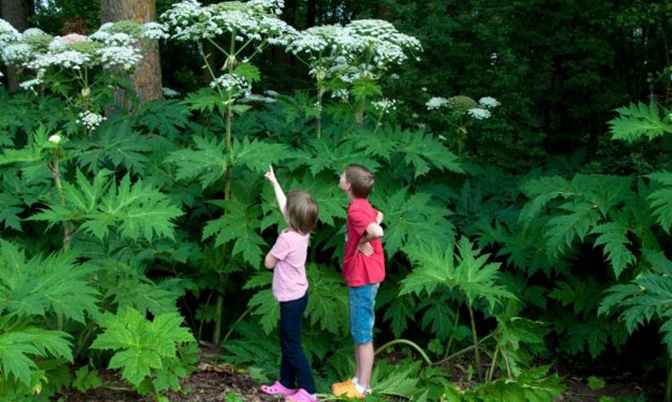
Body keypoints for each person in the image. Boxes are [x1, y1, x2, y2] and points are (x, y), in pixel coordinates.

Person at [260, 165, 320, 402]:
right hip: (298, 294)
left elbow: (268, 263)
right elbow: (286, 205)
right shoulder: (303, 232)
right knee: (288, 340)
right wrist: (275, 183)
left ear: (291, 219)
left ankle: (309, 391)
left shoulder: (286, 238)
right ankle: (286, 383)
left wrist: (273, 248)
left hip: (291, 299)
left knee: (292, 344)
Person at [331, 164, 385, 400]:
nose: (340, 177)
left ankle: (364, 386)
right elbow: (379, 215)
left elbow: (378, 229)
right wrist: (363, 237)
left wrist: (366, 237)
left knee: (363, 334)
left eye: (343, 175)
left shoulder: (355, 210)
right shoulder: (362, 206)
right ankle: (356, 380)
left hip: (364, 278)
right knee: (359, 331)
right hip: (364, 276)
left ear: (349, 185)